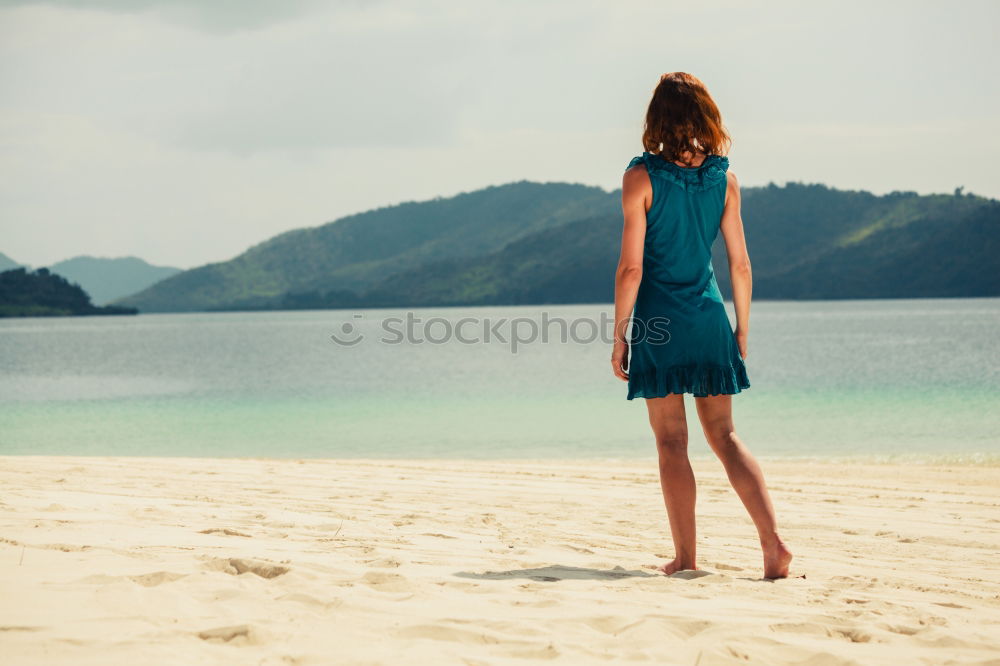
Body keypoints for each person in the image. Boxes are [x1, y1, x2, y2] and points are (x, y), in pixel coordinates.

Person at [611, 72, 792, 579]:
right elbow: (740, 265)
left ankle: (687, 559)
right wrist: (741, 330)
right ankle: (772, 545)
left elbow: (630, 269)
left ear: (656, 118)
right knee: (727, 436)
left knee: (671, 441)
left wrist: (620, 334)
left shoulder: (640, 178)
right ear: (706, 115)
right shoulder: (725, 180)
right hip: (711, 317)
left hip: (659, 325)